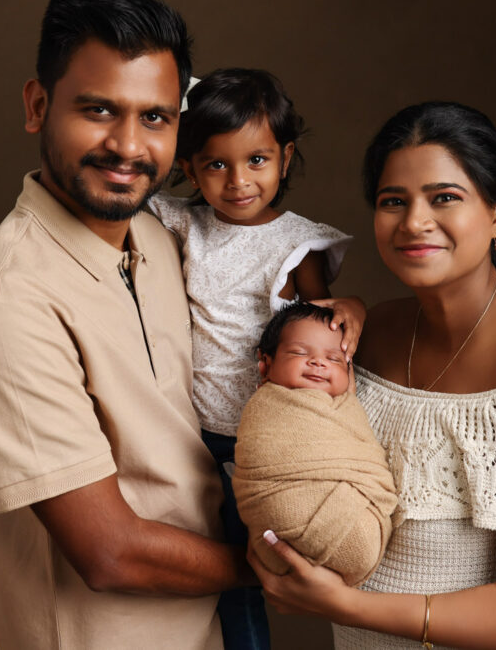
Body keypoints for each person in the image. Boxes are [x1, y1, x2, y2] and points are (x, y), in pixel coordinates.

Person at [250, 102, 496, 649]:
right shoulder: (370, 336)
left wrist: (349, 606)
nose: (413, 222)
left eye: (445, 198)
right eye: (393, 202)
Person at [0, 0, 252, 650]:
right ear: (37, 105)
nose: (128, 145)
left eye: (156, 117)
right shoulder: (5, 301)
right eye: (100, 109)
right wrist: (274, 572)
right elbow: (110, 551)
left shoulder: (163, 242)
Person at [147, 68, 365, 649]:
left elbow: (323, 326)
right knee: (207, 565)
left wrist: (351, 304)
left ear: (286, 158)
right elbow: (131, 183)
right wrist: (178, 103)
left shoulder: (294, 245)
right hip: (195, 433)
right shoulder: (184, 223)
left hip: (264, 439)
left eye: (257, 161)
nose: (239, 181)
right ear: (188, 167)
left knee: (251, 569)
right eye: (216, 164)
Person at [233, 302, 397, 588]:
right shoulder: (267, 406)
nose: (319, 363)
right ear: (266, 363)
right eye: (299, 352)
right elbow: (259, 456)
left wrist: (355, 305)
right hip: (281, 524)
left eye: (334, 359)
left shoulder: (347, 403)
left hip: (358, 527)